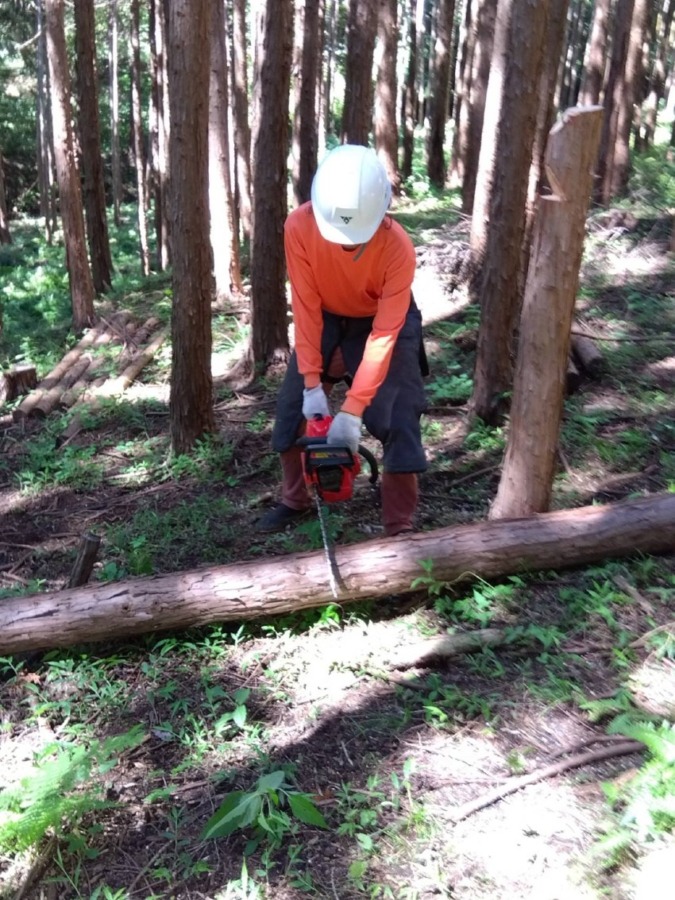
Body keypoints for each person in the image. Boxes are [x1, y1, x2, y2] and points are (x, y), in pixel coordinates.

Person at [257, 144, 428, 537]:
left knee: (399, 412)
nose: (344, 244)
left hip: (381, 318)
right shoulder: (299, 226)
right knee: (292, 406)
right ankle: (295, 499)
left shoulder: (397, 247)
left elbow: (385, 333)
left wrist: (351, 412)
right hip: (327, 314)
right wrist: (313, 384)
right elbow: (305, 304)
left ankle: (399, 525)